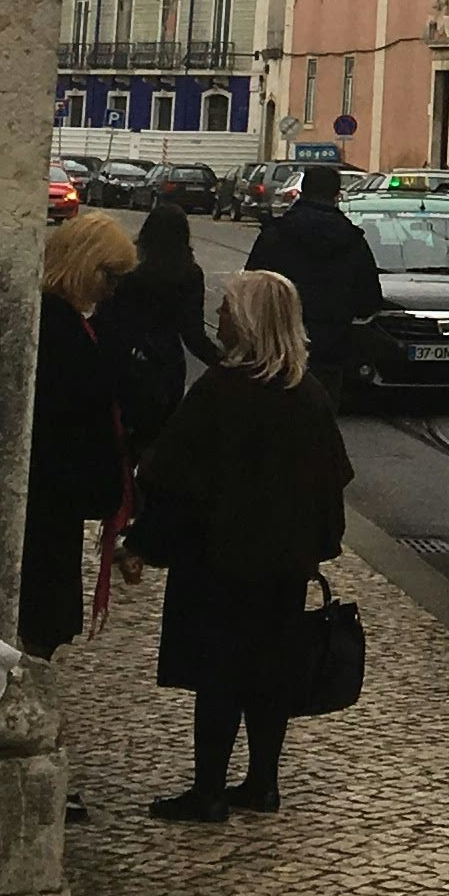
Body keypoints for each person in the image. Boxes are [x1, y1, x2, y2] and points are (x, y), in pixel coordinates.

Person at [126, 269, 351, 823]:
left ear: (246, 321)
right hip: (282, 567)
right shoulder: (310, 395)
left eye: (226, 308)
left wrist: (142, 545)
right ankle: (262, 781)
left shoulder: (220, 393)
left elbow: (176, 481)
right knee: (270, 673)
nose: (218, 317)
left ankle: (210, 789)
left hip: (218, 563)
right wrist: (315, 547)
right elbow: (331, 485)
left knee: (220, 673)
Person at [24, 210, 137, 659]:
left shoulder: (66, 321)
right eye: (110, 276)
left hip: (59, 499)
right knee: (40, 618)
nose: (112, 290)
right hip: (52, 499)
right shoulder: (58, 328)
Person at [246, 164, 385, 395]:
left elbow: (250, 289)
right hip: (329, 348)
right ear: (336, 196)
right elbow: (369, 301)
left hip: (278, 348)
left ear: (301, 191)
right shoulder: (352, 241)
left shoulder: (277, 233)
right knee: (321, 418)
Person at [98, 198, 212, 459]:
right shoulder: (190, 274)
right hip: (166, 362)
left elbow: (107, 318)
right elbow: (193, 333)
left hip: (125, 358)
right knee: (159, 439)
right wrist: (222, 360)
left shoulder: (129, 270)